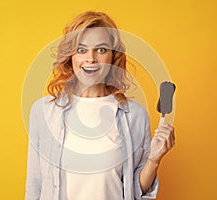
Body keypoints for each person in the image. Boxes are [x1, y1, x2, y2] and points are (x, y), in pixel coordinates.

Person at [25, 11, 175, 200]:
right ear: (70, 56)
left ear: (113, 56)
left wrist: (154, 160)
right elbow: (34, 185)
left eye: (101, 49)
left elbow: (135, 191)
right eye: (81, 50)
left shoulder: (135, 116)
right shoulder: (43, 111)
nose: (91, 58)